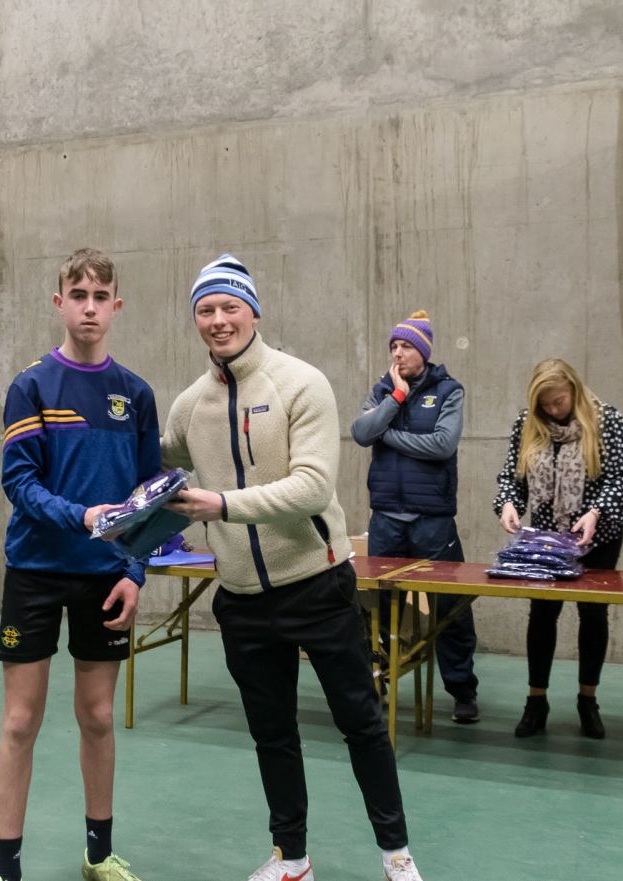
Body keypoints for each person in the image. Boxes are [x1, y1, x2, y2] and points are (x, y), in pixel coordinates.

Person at [164, 254, 424, 881]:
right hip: (241, 597)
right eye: (206, 310)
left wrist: (219, 504)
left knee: (360, 722)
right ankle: (292, 859)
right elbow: (151, 467)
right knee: (272, 734)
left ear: (254, 310)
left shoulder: (300, 383)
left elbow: (311, 487)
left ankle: (397, 855)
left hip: (316, 582)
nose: (219, 320)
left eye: (230, 307)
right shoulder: (188, 406)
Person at [0, 248, 158, 881]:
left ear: (116, 306)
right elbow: (20, 483)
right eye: (77, 294)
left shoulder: (136, 394)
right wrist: (83, 516)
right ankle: (8, 866)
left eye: (100, 296)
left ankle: (98, 854)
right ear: (58, 301)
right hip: (34, 572)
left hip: (104, 578)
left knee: (96, 716)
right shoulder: (31, 386)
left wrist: (133, 571)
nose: (89, 307)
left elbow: (149, 494)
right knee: (20, 720)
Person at [494, 358, 623, 739]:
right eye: (546, 404)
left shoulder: (607, 421)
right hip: (545, 538)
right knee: (542, 614)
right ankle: (535, 701)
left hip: (596, 536)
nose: (553, 410)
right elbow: (512, 474)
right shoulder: (527, 423)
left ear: (574, 389)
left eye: (559, 401)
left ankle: (588, 700)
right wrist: (508, 504)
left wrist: (596, 511)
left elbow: (621, 476)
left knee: (593, 615)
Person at [351, 309, 479, 723]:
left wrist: (387, 435)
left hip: (432, 519)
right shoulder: (384, 390)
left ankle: (462, 691)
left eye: (406, 346)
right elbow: (359, 432)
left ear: (423, 351)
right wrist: (397, 398)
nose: (398, 353)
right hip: (387, 517)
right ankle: (378, 678)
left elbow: (443, 445)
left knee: (450, 607)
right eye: (393, 346)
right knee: (377, 606)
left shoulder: (448, 391)